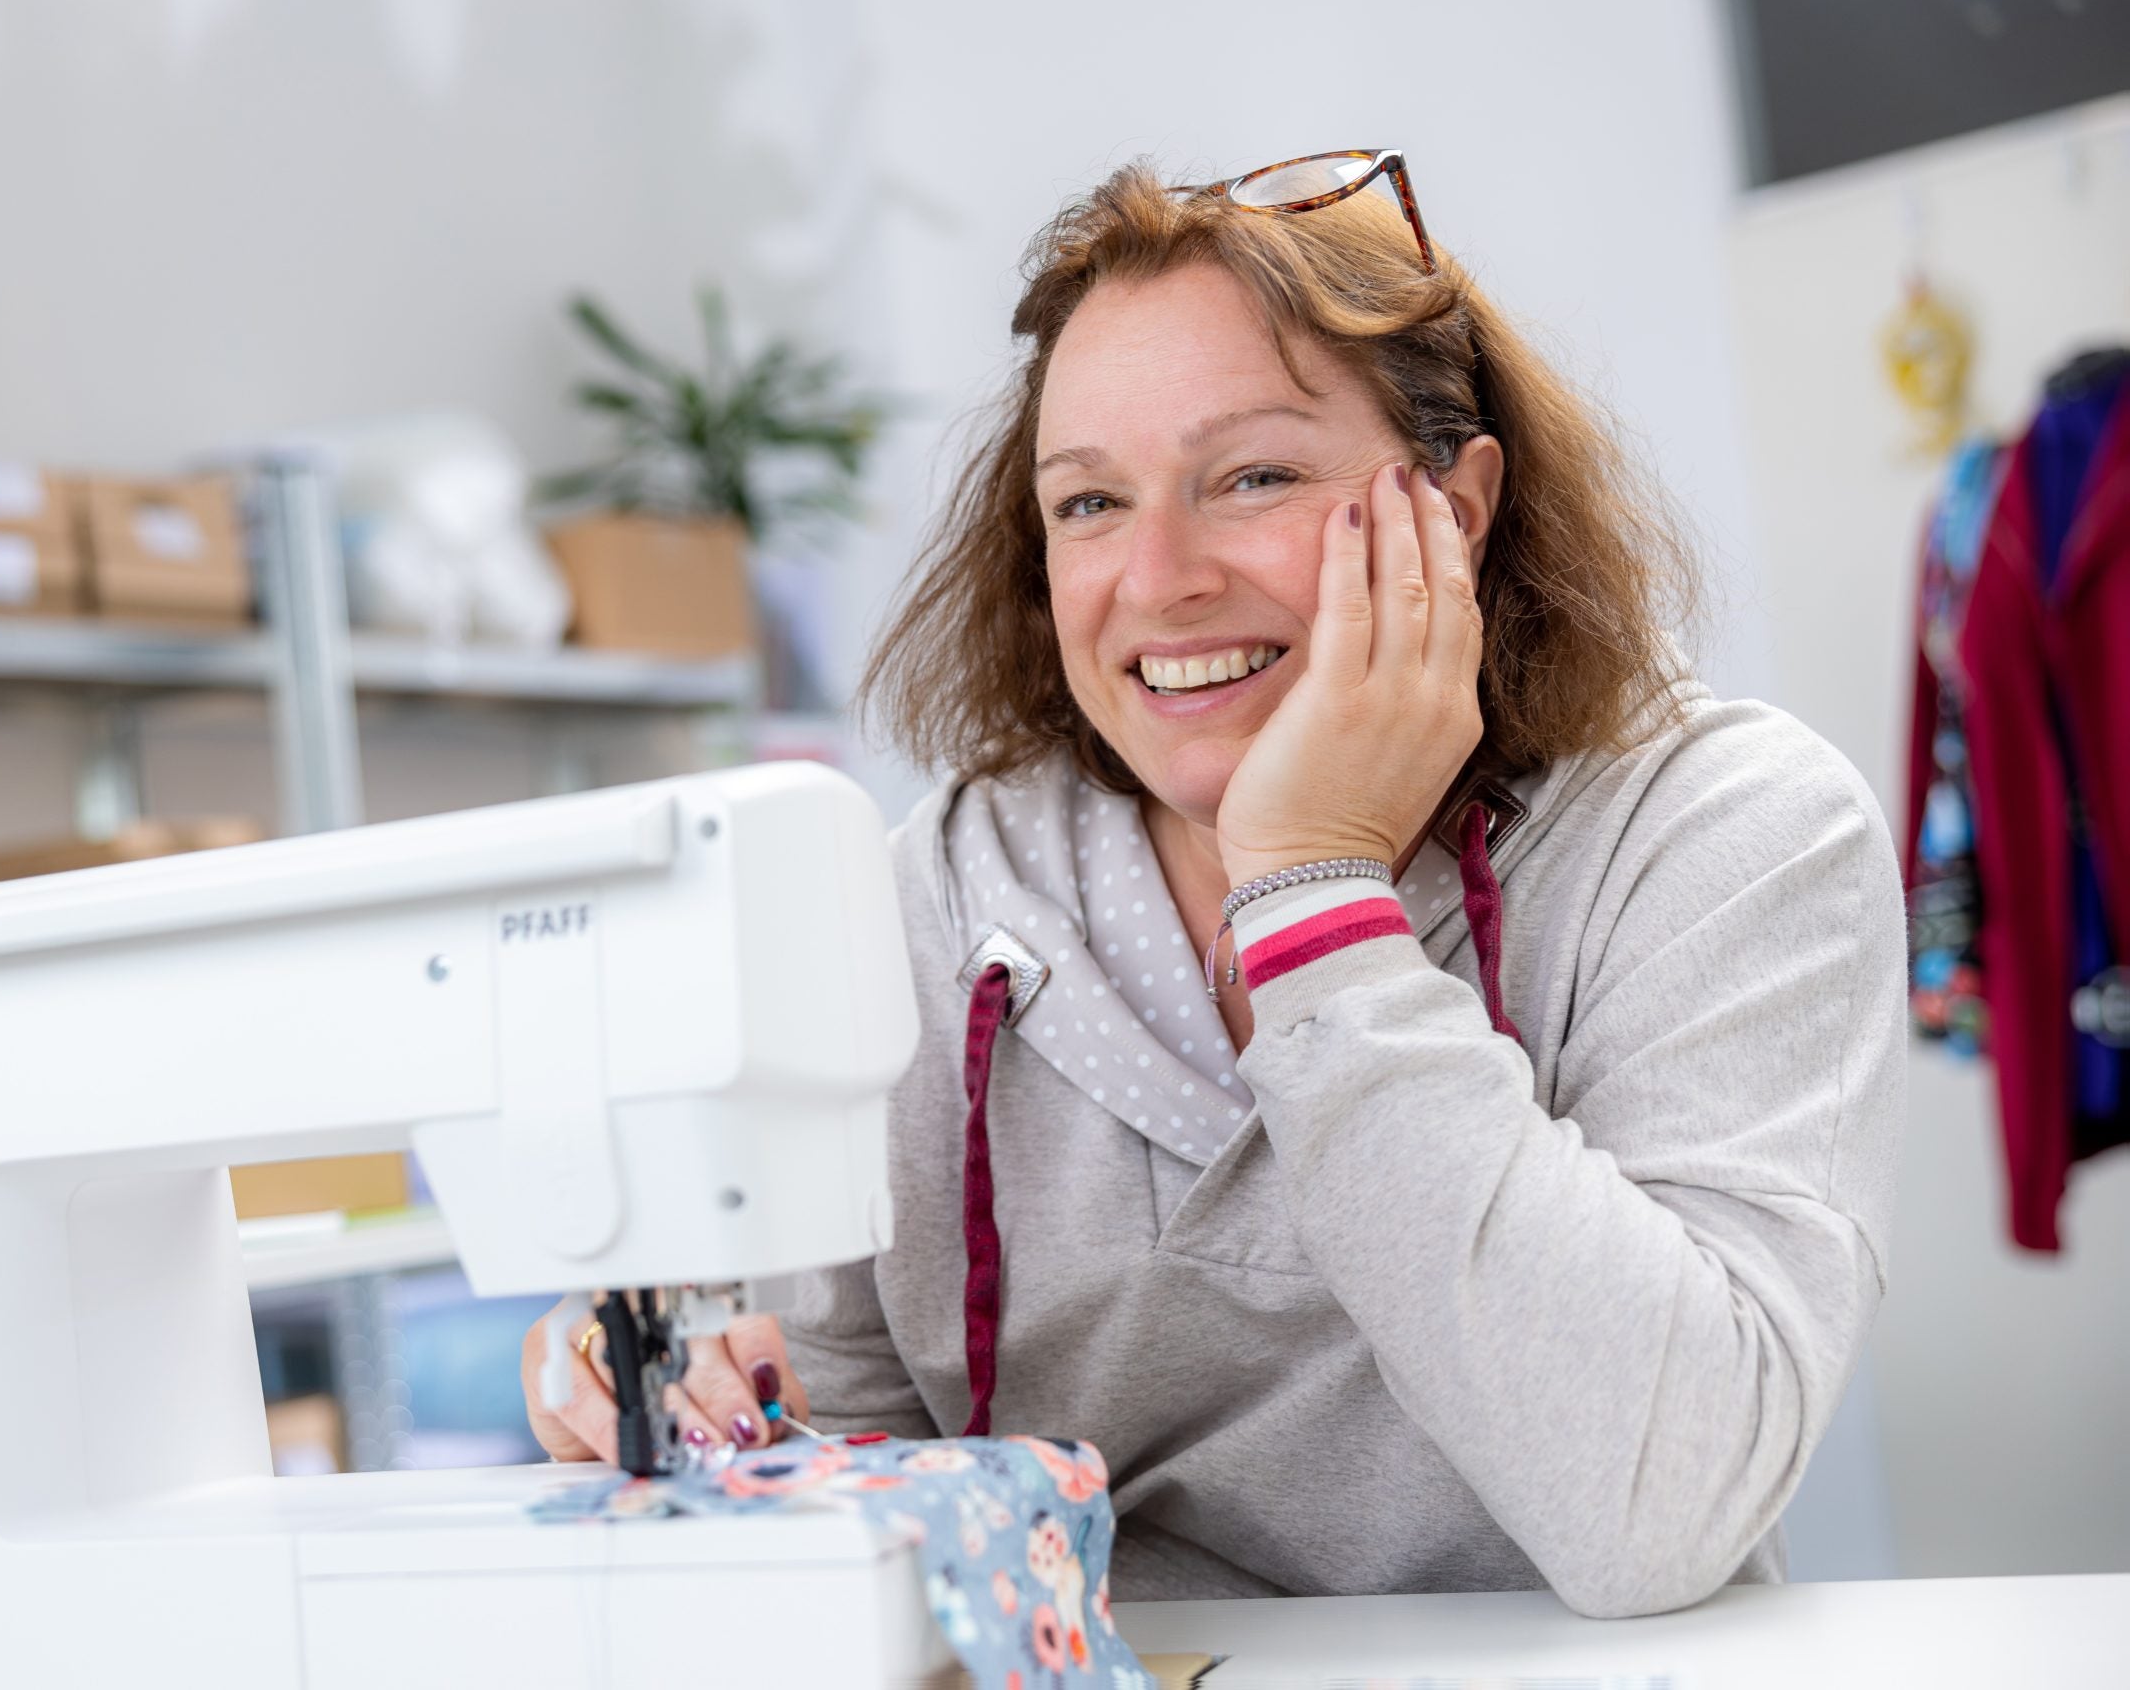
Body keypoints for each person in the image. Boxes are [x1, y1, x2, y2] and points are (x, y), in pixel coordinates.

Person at [520, 153, 1904, 1619]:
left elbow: (1657, 1504)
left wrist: (1314, 894)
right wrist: (723, 1431)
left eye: (1253, 476)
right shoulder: (935, 897)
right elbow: (872, 1470)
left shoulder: (1725, 837)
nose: (1159, 578)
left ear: (1461, 504)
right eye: (1091, 504)